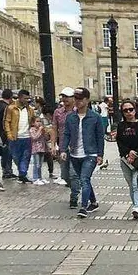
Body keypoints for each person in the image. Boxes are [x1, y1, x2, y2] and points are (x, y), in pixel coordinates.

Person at [60, 88, 104, 218]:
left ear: (87, 100)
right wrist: (63, 150)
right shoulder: (70, 117)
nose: (77, 101)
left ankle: (83, 207)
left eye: (80, 99)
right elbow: (66, 134)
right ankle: (94, 202)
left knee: (84, 179)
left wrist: (100, 154)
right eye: (76, 98)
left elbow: (99, 137)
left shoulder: (95, 117)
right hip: (75, 154)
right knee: (84, 180)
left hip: (90, 154)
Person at [116, 100, 138, 219]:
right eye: (125, 110)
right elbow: (119, 141)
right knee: (131, 184)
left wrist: (135, 153)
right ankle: (135, 205)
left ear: (135, 110)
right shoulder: (120, 126)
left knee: (136, 183)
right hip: (125, 159)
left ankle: (137, 207)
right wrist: (127, 153)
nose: (129, 112)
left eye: (131, 109)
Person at [3, 89, 35, 183]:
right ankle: (22, 172)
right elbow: (6, 121)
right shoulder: (11, 108)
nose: (27, 100)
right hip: (15, 137)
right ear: (20, 97)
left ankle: (23, 174)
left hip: (27, 137)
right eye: (25, 98)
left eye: (28, 98)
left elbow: (32, 121)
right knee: (16, 156)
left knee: (26, 156)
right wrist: (9, 134)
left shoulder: (30, 109)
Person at [51, 88, 76, 187]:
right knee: (65, 174)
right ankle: (73, 186)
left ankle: (75, 193)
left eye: (67, 96)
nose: (65, 99)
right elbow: (54, 129)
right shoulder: (58, 112)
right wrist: (53, 145)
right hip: (63, 146)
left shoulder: (78, 111)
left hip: (76, 145)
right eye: (63, 96)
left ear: (73, 98)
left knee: (73, 173)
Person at [29, 116, 49, 185]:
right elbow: (34, 138)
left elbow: (46, 138)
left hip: (42, 149)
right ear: (33, 123)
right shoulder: (32, 130)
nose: (39, 123)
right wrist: (40, 130)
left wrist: (44, 132)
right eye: (37, 121)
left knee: (40, 164)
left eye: (40, 121)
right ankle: (35, 178)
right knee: (36, 164)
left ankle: (40, 178)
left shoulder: (41, 129)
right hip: (36, 149)